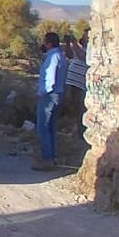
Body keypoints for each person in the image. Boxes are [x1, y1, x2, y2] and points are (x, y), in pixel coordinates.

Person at [33, 31, 68, 171]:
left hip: (49, 95)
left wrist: (43, 93)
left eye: (44, 41)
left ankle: (47, 159)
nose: (43, 44)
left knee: (43, 127)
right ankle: (52, 158)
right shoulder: (61, 56)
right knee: (51, 128)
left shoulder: (53, 57)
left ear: (49, 43)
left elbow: (50, 77)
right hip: (58, 94)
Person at [64, 28, 89, 134]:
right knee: (74, 107)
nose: (83, 37)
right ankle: (77, 129)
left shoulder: (91, 50)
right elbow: (69, 55)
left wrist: (74, 42)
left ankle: (82, 132)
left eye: (86, 35)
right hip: (73, 82)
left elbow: (82, 56)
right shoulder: (81, 47)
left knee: (80, 108)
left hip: (80, 84)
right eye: (83, 35)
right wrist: (67, 43)